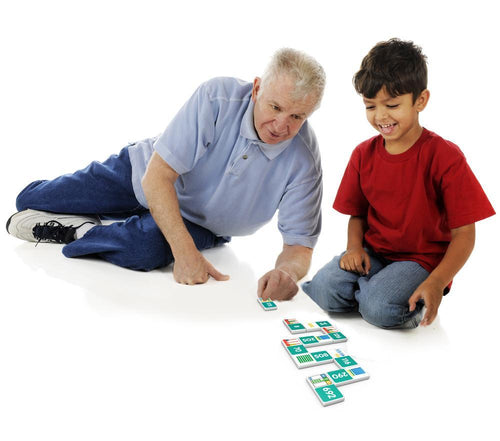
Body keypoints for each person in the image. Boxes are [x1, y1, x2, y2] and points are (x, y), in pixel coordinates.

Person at [7, 48, 325, 301]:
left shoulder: (304, 160)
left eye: (297, 116)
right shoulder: (218, 97)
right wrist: (184, 253)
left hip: (201, 222)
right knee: (30, 199)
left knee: (143, 250)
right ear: (257, 89)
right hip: (143, 173)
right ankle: (105, 209)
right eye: (275, 107)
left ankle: (79, 231)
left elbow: (299, 249)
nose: (282, 125)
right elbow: (157, 177)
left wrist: (287, 273)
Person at [302, 38, 495, 329]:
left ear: (421, 100)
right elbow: (357, 214)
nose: (380, 116)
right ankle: (373, 291)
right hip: (374, 254)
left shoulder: (445, 157)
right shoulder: (362, 154)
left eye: (392, 105)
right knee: (323, 290)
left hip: (422, 261)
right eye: (370, 106)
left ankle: (388, 297)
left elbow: (465, 234)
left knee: (380, 308)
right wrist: (354, 248)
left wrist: (436, 282)